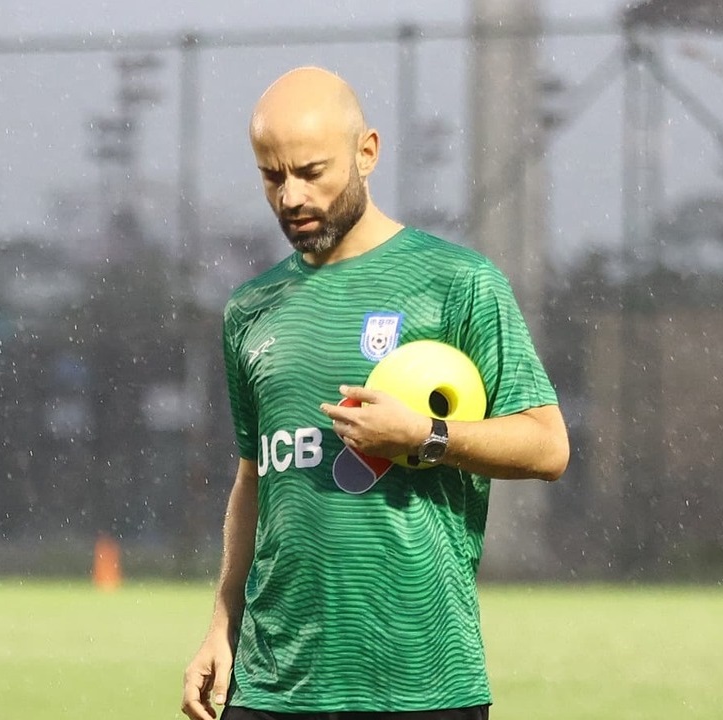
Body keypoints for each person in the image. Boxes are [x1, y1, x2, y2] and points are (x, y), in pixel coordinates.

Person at [181, 66, 569, 720]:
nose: (291, 196)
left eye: (312, 172)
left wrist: (425, 437)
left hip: (421, 683)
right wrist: (222, 624)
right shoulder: (249, 310)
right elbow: (254, 480)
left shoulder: (457, 283)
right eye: (272, 177)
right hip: (273, 687)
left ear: (367, 153)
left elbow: (547, 446)